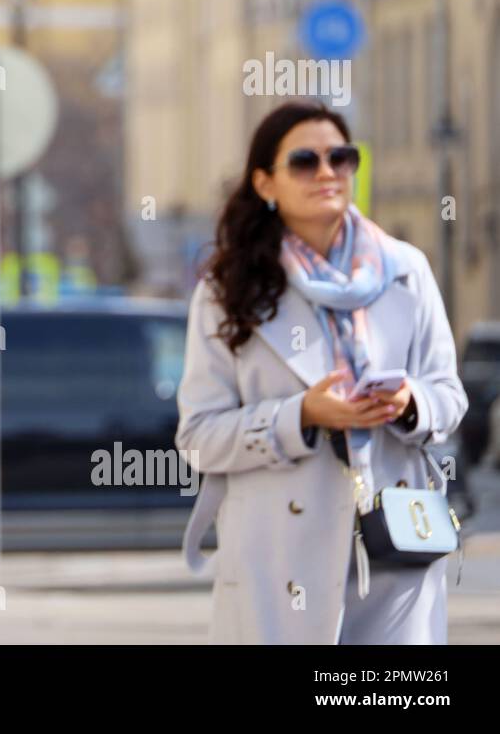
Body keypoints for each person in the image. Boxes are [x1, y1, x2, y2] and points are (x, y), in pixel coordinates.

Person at [177, 99, 466, 643]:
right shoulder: (227, 291)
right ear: (266, 183)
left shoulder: (406, 270)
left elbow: (448, 396)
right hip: (279, 558)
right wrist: (302, 415)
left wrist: (408, 402)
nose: (328, 172)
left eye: (342, 156)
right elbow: (198, 437)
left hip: (396, 539)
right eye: (305, 161)